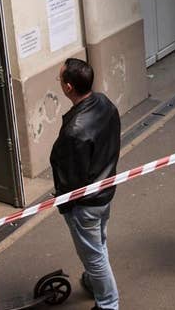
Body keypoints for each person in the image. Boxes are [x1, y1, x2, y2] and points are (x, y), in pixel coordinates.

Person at [51, 58, 121, 309]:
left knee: (94, 256)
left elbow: (71, 178)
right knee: (99, 244)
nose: (59, 82)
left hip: (85, 204)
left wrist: (64, 204)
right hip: (105, 192)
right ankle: (94, 282)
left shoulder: (74, 132)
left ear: (68, 87)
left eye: (60, 79)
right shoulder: (105, 104)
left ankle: (108, 304)